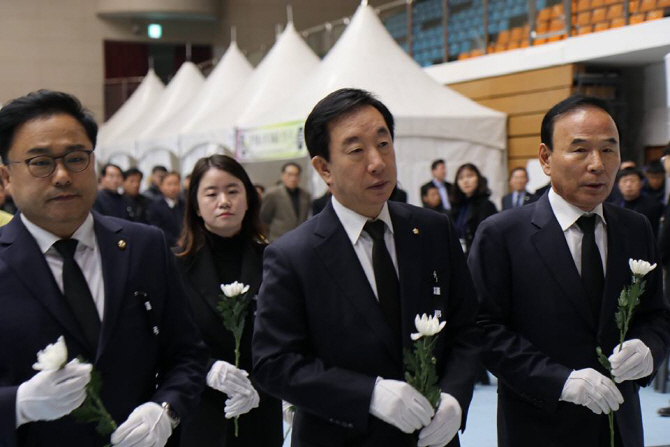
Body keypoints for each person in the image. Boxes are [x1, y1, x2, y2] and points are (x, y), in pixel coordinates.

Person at [252, 88, 480, 447]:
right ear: (324, 168)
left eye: (384, 143)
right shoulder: (294, 255)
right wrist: (368, 394)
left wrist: (455, 396)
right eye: (356, 150)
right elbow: (274, 363)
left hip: (432, 437)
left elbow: (468, 328)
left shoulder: (433, 230)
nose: (377, 162)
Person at [0, 90, 207, 446]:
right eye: (40, 162)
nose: (62, 175)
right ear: (6, 178)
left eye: (76, 158)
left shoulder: (145, 246)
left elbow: (187, 354)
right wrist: (17, 405)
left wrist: (165, 408)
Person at [468, 95, 670, 447]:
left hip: (620, 426)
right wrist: (558, 381)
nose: (598, 165)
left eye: (609, 150)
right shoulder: (502, 234)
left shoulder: (634, 228)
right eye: (580, 150)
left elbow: (656, 315)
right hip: (539, 425)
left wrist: (649, 348)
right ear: (546, 158)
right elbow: (482, 329)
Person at [175, 155, 282, 447]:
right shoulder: (174, 267)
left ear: (249, 199)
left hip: (262, 411)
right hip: (201, 413)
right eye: (211, 193)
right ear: (196, 206)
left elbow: (288, 338)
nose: (224, 201)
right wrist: (206, 368)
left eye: (233, 191)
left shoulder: (274, 261)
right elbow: (168, 343)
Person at [449, 163, 497, 256]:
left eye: (470, 176)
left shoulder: (486, 205)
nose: (465, 181)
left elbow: (487, 237)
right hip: (460, 255)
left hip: (479, 256)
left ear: (478, 179)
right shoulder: (457, 206)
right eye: (461, 178)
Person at [259, 162, 310, 242]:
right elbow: (264, 218)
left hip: (300, 239)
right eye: (289, 174)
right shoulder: (272, 194)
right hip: (278, 239)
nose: (293, 178)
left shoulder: (305, 195)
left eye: (296, 175)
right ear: (283, 176)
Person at [617, 167, 663, 237]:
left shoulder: (653, 206)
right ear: (618, 185)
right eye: (624, 181)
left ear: (641, 183)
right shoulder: (614, 206)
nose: (628, 185)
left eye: (632, 181)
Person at [146, 171, 185, 247]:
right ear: (161, 187)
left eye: (176, 184)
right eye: (169, 184)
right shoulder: (154, 206)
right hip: (165, 245)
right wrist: (175, 241)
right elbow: (157, 228)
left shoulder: (184, 204)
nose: (173, 188)